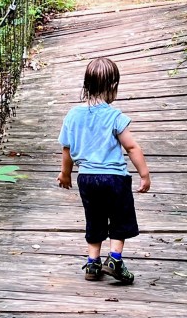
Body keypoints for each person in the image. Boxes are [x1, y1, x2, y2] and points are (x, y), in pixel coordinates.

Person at [57, 56, 150, 283]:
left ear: (86, 85)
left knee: (94, 217)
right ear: (113, 85)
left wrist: (65, 174)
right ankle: (115, 259)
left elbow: (67, 149)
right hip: (115, 178)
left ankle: (93, 262)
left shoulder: (73, 115)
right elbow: (131, 147)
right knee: (120, 217)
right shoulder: (114, 116)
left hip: (87, 178)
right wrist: (144, 174)